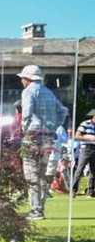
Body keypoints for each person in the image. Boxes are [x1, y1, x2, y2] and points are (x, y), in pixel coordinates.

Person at [18, 64, 67, 219]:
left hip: (32, 136)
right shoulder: (49, 92)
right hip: (48, 136)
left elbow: (26, 114)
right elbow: (63, 111)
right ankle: (40, 208)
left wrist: (24, 129)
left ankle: (35, 210)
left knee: (31, 174)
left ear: (27, 79)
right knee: (42, 174)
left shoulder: (28, 91)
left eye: (22, 79)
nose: (21, 81)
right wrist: (55, 125)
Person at [74, 113, 95, 196]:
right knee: (80, 169)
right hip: (86, 148)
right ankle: (73, 190)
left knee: (93, 171)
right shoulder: (85, 124)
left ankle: (91, 191)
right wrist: (88, 137)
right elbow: (77, 136)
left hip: (94, 148)